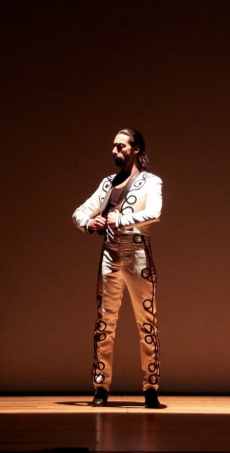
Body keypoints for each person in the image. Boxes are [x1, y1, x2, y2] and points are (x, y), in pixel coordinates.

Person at [72, 128, 163, 409]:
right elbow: (79, 212)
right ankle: (100, 386)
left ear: (136, 149)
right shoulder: (108, 183)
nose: (115, 151)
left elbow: (155, 213)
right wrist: (90, 223)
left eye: (120, 146)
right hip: (110, 256)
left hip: (137, 254)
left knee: (146, 322)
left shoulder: (151, 181)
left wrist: (118, 220)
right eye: (113, 146)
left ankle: (150, 388)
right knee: (104, 322)